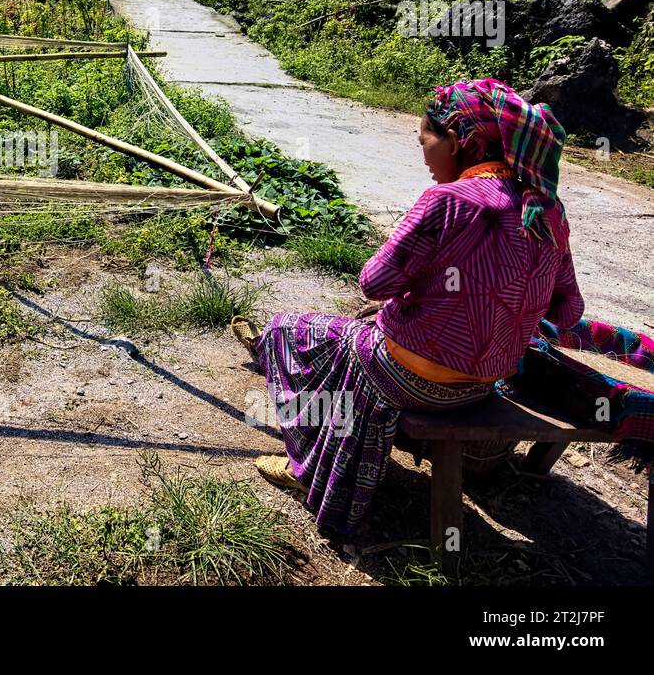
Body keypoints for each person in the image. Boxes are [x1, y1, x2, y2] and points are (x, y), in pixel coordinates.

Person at [243, 77, 585, 534]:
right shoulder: (545, 209)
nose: (423, 154)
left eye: (425, 140)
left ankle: (305, 468)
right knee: (353, 336)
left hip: (412, 378)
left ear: (459, 142)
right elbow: (567, 313)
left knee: (290, 330)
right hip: (484, 384)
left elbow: (373, 283)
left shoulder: (448, 201)